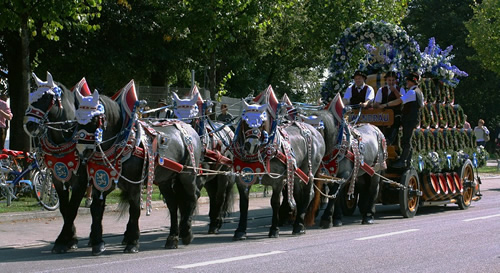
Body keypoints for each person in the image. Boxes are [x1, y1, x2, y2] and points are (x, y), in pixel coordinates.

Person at [378, 72, 424, 168]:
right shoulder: (419, 92)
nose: (406, 82)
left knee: (406, 140)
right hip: (412, 118)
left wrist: (386, 105)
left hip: (409, 119)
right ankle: (407, 161)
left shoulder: (412, 92)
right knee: (407, 139)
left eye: (408, 81)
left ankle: (403, 161)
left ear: (412, 82)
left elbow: (400, 100)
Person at [373, 71, 405, 144]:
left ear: (396, 81)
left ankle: (390, 140)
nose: (391, 82)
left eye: (393, 80)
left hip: (396, 113)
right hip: (384, 113)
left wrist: (395, 91)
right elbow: (377, 103)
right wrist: (377, 106)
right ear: (386, 80)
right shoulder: (382, 90)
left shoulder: (400, 89)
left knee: (396, 121)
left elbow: (402, 100)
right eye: (389, 80)